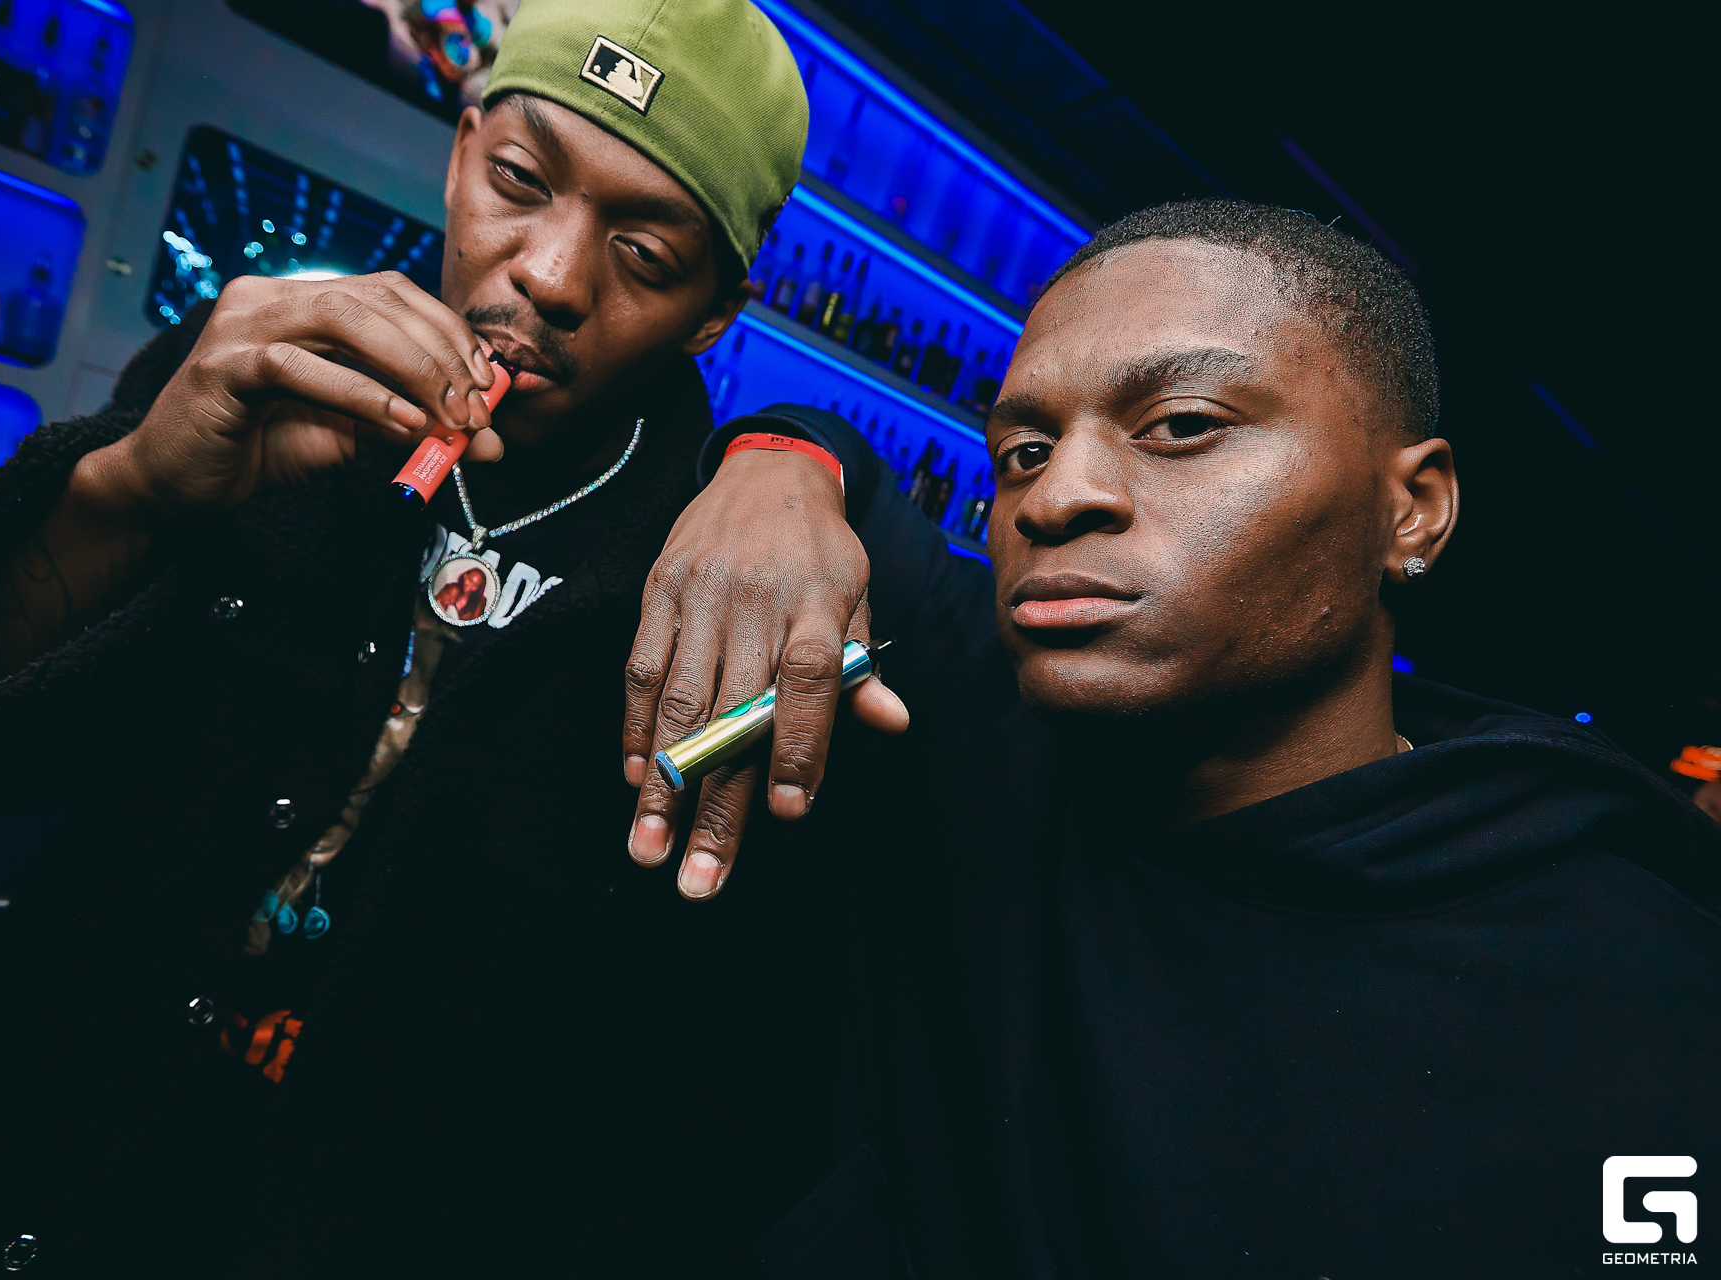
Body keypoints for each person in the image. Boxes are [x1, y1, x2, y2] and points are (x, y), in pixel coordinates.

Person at [0, 2, 859, 1274]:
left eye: (642, 252)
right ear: (461, 151)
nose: (549, 275)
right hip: (23, 1171)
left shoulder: (715, 580)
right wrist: (131, 486)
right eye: (520, 181)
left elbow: (704, 1082)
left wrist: (805, 455)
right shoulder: (253, 374)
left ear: (714, 312)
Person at [624, 200, 1721, 1276]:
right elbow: (844, 474)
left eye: (1183, 425)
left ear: (1413, 508)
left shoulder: (1646, 1002)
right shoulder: (974, 733)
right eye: (1023, 450)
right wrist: (777, 464)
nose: (1056, 497)